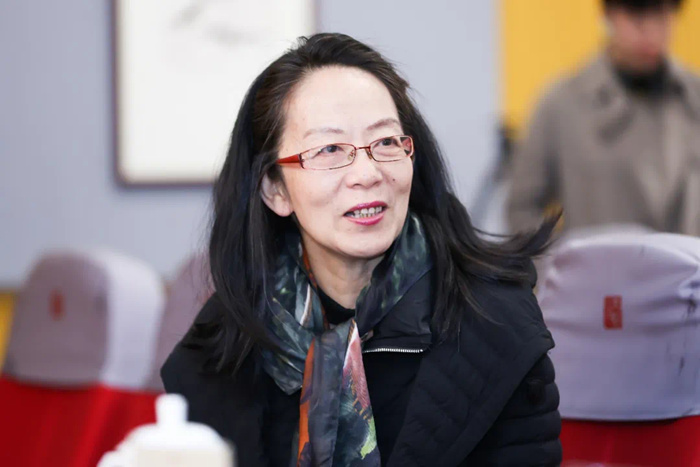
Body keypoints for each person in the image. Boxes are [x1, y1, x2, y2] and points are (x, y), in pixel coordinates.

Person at [162, 33, 561, 466]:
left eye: (386, 142)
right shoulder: (223, 346)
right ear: (275, 189)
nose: (367, 173)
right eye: (330, 149)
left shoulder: (498, 322)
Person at [507, 0, 700, 235]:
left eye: (661, 16)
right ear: (609, 15)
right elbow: (522, 209)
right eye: (636, 16)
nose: (650, 30)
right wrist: (564, 256)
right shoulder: (562, 104)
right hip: (596, 258)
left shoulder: (694, 98)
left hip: (686, 258)